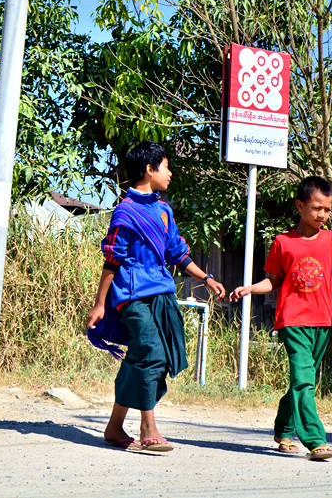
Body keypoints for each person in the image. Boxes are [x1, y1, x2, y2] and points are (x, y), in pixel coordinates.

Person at [86, 141, 226, 452]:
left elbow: (177, 252)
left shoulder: (164, 211)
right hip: (132, 296)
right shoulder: (125, 213)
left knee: (143, 356)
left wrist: (208, 279)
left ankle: (113, 426)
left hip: (162, 293)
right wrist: (99, 304)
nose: (171, 173)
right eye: (166, 166)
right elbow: (112, 260)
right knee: (151, 351)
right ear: (150, 170)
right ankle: (148, 426)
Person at [230, 176, 332, 461]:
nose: (322, 215)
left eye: (327, 209)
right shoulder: (283, 242)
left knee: (302, 379)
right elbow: (273, 282)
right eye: (316, 208)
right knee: (304, 379)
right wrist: (252, 288)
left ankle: (283, 429)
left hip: (323, 321)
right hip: (291, 319)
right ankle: (315, 439)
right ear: (300, 206)